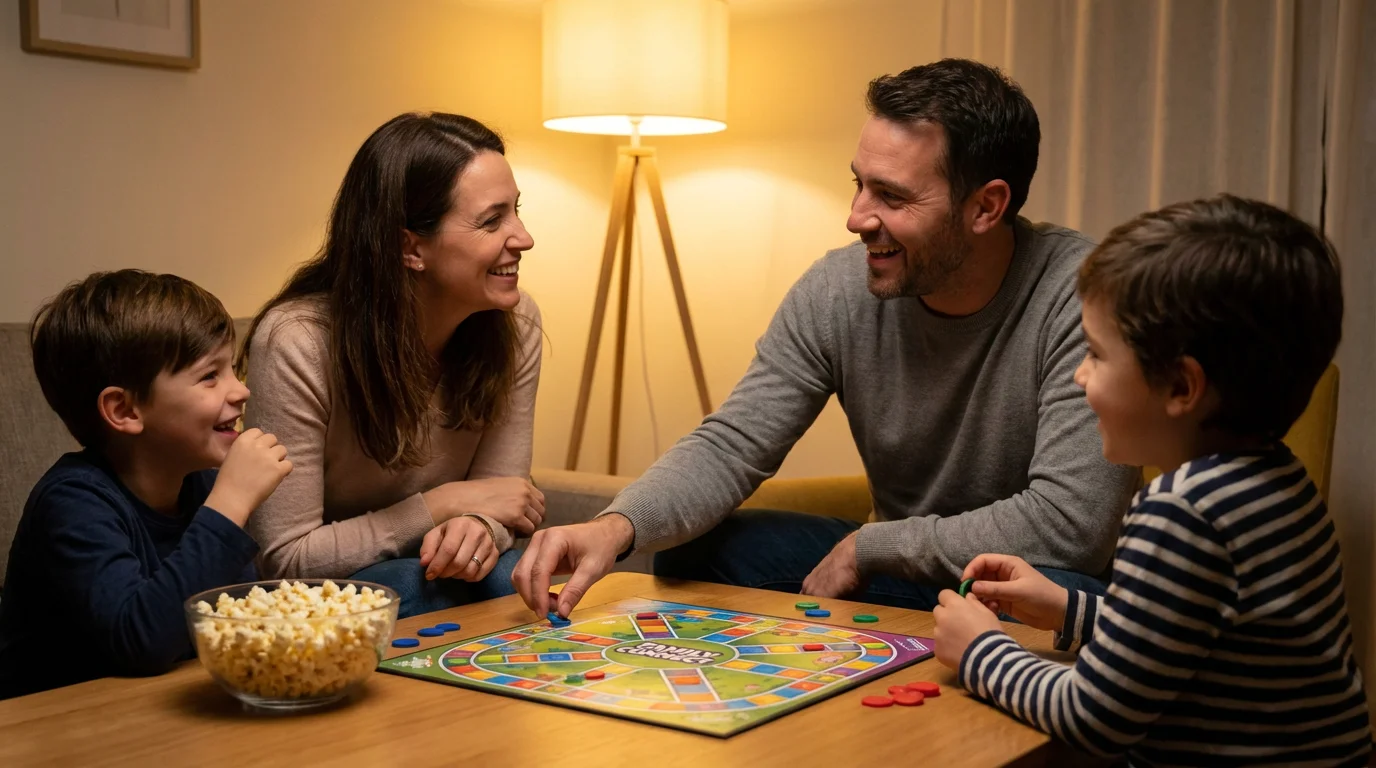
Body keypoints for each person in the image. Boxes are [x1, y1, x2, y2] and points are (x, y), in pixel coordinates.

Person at [514, 58, 1139, 617]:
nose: (857, 217)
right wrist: (617, 525)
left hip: (1030, 582)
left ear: (986, 207)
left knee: (1052, 587)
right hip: (904, 573)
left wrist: (872, 546)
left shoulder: (1083, 295)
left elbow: (1071, 524)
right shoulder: (838, 288)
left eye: (891, 195)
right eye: (858, 183)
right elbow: (734, 443)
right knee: (704, 548)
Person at [932, 195, 1371, 766]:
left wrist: (980, 652)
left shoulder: (1179, 510)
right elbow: (1190, 643)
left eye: (1095, 353)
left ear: (1181, 389)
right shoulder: (1279, 479)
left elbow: (1095, 718)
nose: (1078, 374)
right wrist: (1068, 608)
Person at [241, 112, 545, 618]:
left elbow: (503, 499)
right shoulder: (296, 342)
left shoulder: (515, 321)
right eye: (493, 221)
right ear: (411, 247)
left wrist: (478, 529)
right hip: (314, 606)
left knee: (502, 571)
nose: (524, 238)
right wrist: (442, 505)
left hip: (445, 577)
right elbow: (284, 561)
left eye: (516, 211)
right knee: (409, 583)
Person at [0, 270, 292, 699]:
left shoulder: (201, 484)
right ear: (125, 410)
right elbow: (142, 640)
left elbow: (235, 618)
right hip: (56, 726)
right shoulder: (72, 504)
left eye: (233, 369)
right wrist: (231, 502)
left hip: (160, 708)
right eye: (210, 375)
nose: (241, 390)